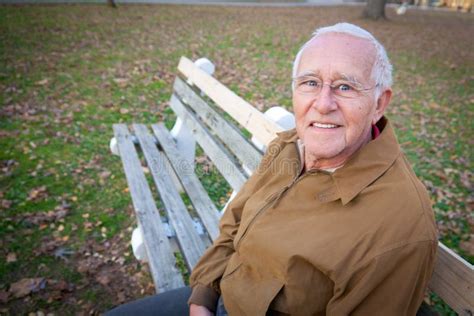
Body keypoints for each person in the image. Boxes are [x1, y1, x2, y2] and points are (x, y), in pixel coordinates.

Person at [107, 22, 438, 316]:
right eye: (310, 83)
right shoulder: (291, 146)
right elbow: (234, 221)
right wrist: (202, 297)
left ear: (379, 103)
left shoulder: (399, 227)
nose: (323, 104)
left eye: (345, 87)